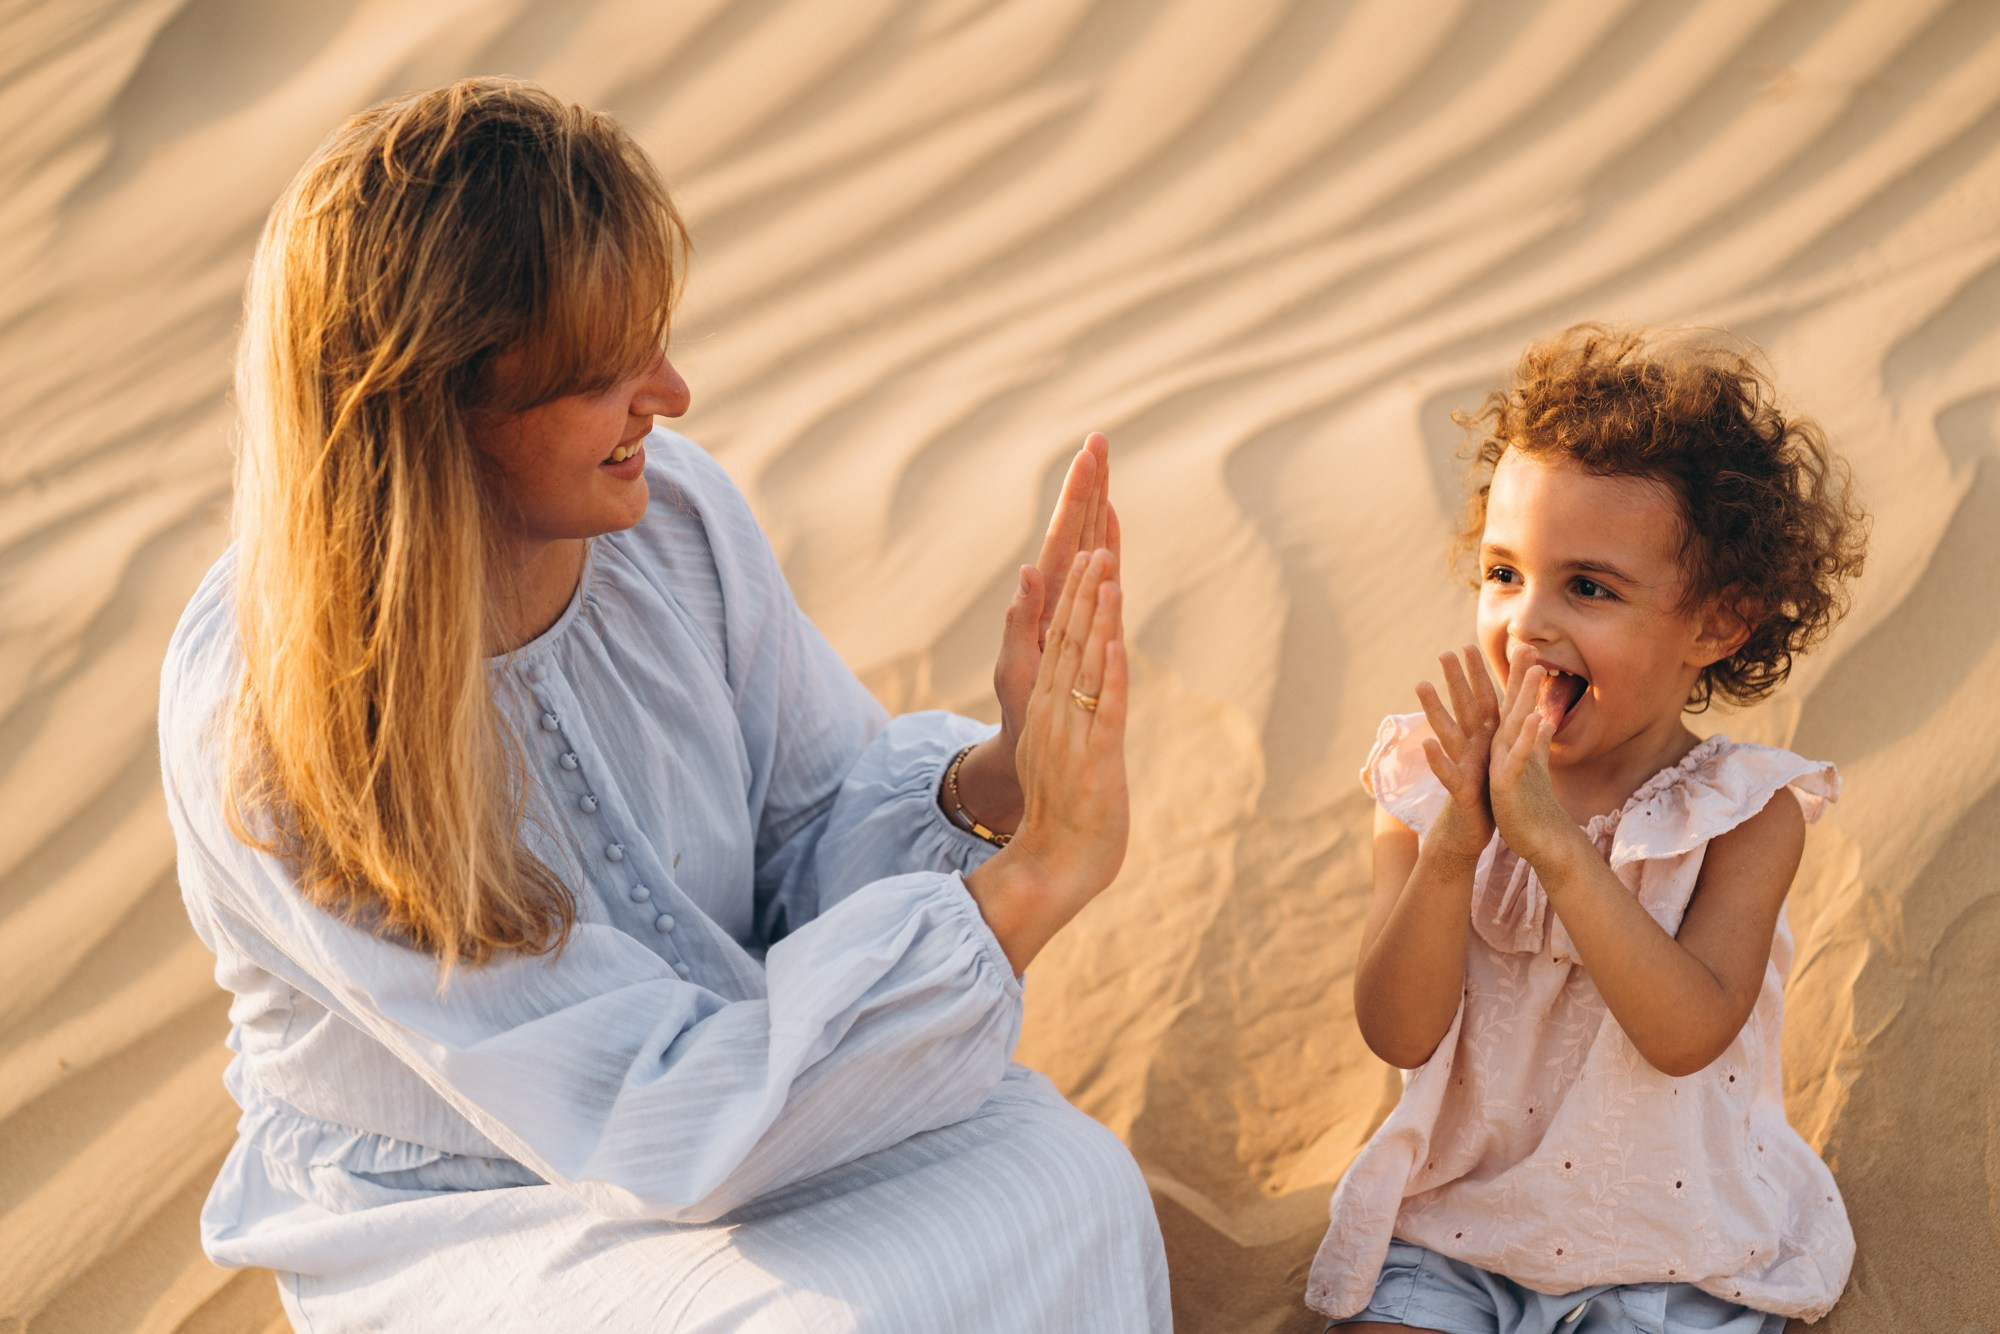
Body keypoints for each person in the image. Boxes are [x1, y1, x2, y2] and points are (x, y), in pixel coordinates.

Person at [158, 77, 1170, 1331]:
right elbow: (640, 1109)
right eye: (602, 370)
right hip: (467, 1200)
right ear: (430, 404)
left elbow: (809, 834)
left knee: (1073, 1190)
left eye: (656, 337)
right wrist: (1029, 885)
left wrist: (1005, 773)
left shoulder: (672, 518)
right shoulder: (279, 711)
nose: (672, 391)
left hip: (758, 1083)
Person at [1309, 325, 1868, 1333]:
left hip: (1665, 1247)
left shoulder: (1741, 815)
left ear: (1716, 624)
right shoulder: (1428, 785)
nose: (1526, 622)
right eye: (1503, 573)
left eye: (1589, 587)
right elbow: (1396, 1029)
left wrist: (1555, 848)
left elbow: (1686, 1032)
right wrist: (1454, 847)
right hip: (1458, 1230)